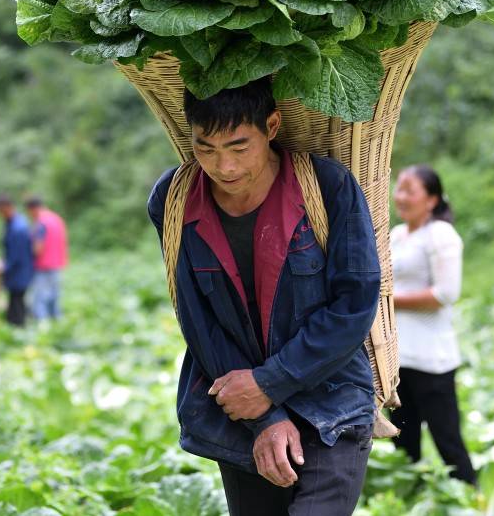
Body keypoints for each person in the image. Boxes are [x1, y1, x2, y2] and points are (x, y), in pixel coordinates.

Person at [147, 77, 382, 516]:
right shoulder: (173, 199)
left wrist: (271, 382)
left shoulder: (328, 187)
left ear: (271, 126)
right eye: (206, 148)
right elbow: (198, 320)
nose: (225, 167)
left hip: (329, 401)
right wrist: (263, 416)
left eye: (239, 147)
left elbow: (354, 306)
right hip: (237, 408)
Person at [389, 165, 477, 485]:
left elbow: (445, 293)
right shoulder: (397, 235)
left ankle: (473, 498)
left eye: (410, 190)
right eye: (398, 188)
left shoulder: (441, 234)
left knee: (447, 441)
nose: (400, 196)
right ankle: (409, 501)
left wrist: (389, 301)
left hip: (432, 360)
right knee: (403, 441)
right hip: (399, 358)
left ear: (432, 199)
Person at [25, 195, 69, 321]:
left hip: (43, 266)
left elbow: (38, 249)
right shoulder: (57, 219)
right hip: (57, 264)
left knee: (40, 300)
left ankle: (43, 329)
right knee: (54, 298)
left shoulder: (41, 223)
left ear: (33, 209)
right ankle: (57, 326)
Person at [0, 194, 34, 327]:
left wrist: (3, 266)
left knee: (17, 302)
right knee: (15, 301)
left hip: (19, 271)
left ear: (7, 208)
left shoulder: (18, 227)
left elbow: (16, 255)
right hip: (17, 271)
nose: (0, 215)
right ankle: (14, 326)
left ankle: (18, 328)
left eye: (1, 211)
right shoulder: (12, 223)